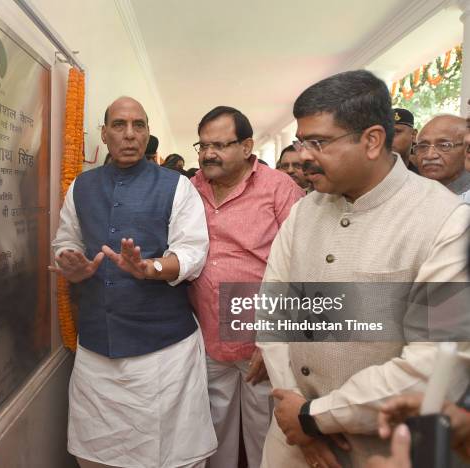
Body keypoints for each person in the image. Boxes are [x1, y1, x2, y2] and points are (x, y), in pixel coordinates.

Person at [255, 70, 469, 468]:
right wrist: (294, 414)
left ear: (371, 140)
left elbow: (436, 364)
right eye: (302, 142)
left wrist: (315, 418)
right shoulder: (303, 212)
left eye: (318, 142)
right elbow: (272, 312)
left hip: (383, 449)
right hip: (289, 441)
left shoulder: (448, 222)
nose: (303, 155)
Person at [51, 96, 217, 468]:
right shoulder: (81, 186)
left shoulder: (177, 186)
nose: (130, 134)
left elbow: (193, 252)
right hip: (97, 351)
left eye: (138, 125)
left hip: (165, 354)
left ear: (147, 133)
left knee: (173, 457)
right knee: (98, 455)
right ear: (104, 133)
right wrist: (70, 264)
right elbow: (65, 240)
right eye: (120, 125)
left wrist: (153, 268)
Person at [189, 106, 304, 468]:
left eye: (220, 145)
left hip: (261, 341)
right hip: (207, 337)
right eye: (204, 145)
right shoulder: (192, 188)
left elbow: (302, 265)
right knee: (212, 432)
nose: (209, 154)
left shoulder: (278, 188)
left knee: (266, 436)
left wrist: (274, 339)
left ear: (247, 146)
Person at [415, 114, 470, 195]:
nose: (429, 155)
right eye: (423, 146)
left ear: (466, 148)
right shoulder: (410, 193)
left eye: (444, 145)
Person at [391, 108, 419, 173]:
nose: (387, 138)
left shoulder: (424, 177)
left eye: (396, 132)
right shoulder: (368, 176)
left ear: (413, 135)